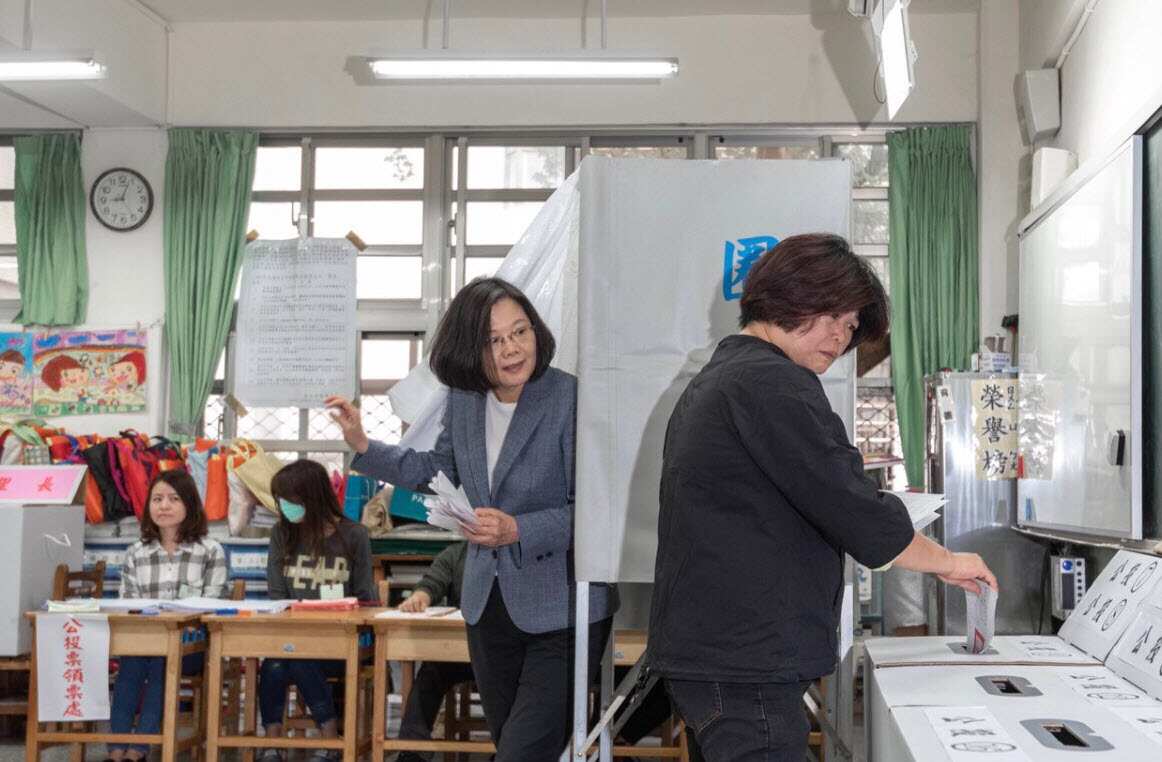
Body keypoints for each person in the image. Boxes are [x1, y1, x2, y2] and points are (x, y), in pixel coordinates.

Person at [648, 233, 998, 762]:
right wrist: (949, 562)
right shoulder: (771, 383)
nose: (841, 337)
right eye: (834, 316)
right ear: (789, 294)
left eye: (852, 326)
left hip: (720, 657)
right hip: (745, 665)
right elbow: (856, 509)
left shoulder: (723, 377)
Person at [328, 276, 617, 761]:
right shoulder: (464, 401)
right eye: (494, 340)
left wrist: (517, 528)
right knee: (514, 746)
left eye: (519, 332)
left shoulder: (569, 398)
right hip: (489, 605)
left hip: (563, 605)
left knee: (522, 754)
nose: (511, 349)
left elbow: (595, 509)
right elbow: (434, 470)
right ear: (470, 349)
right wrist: (362, 444)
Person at [259, 460, 374, 762]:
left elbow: (367, 599)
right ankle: (275, 742)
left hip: (340, 642)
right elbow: (277, 596)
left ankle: (327, 736)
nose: (284, 507)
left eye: (290, 500)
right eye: (280, 500)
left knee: (294, 656)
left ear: (312, 498)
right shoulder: (281, 534)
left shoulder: (354, 535)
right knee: (278, 660)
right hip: (291, 638)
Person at [108, 471, 227, 762]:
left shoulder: (210, 550)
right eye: (157, 499)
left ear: (190, 505)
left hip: (193, 644)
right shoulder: (137, 552)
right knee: (132, 663)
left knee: (164, 659)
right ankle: (115, 749)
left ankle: (139, 749)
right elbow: (128, 603)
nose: (164, 506)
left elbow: (213, 602)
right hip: (145, 640)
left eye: (173, 499)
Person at [395, 542, 474, 762]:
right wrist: (420, 597)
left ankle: (506, 750)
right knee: (429, 673)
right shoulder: (456, 554)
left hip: (500, 654)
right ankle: (412, 750)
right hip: (457, 649)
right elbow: (431, 583)